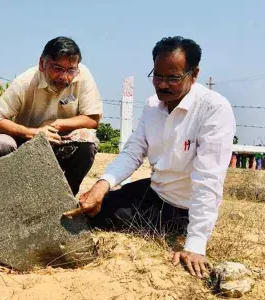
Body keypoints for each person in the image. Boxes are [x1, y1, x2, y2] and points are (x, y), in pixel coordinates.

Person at [65, 36, 236, 278]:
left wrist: (195, 245)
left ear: (194, 74)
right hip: (153, 192)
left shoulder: (214, 109)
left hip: (183, 209)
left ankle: (180, 230)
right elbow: (133, 152)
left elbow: (208, 180)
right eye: (157, 76)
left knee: (112, 220)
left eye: (173, 78)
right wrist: (102, 185)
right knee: (93, 211)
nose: (163, 85)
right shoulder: (152, 105)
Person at [0, 36, 103, 195]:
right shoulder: (25, 82)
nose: (64, 76)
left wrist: (54, 124)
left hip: (62, 142)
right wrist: (33, 133)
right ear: (42, 63)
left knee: (88, 140)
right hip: (25, 144)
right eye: (57, 68)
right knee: (1, 144)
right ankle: (14, 195)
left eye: (70, 70)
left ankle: (65, 197)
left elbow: (92, 119)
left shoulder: (83, 76)